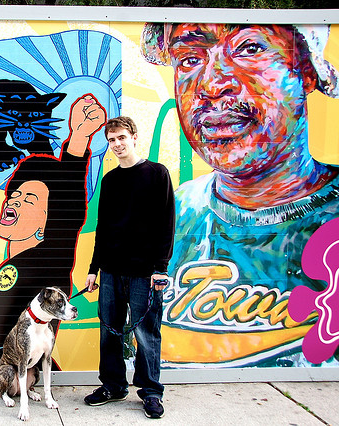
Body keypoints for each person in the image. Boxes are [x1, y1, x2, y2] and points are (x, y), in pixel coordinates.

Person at [140, 23, 339, 367]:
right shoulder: (172, 215)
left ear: (306, 71)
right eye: (189, 60)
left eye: (250, 49)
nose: (212, 85)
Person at [0, 94, 107, 371]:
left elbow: (67, 207)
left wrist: (79, 138)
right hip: (6, 372)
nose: (14, 201)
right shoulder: (14, 262)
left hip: (25, 373)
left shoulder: (48, 260)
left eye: (29, 200)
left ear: (46, 223)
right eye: (15, 195)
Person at [83, 116, 175, 419]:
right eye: (112, 140)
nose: (117, 144)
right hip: (111, 271)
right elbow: (103, 228)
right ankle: (113, 386)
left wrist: (160, 268)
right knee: (109, 331)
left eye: (122, 137)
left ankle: (150, 392)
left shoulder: (157, 174)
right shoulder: (110, 180)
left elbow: (166, 225)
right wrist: (94, 269)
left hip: (145, 273)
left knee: (146, 334)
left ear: (134, 137)